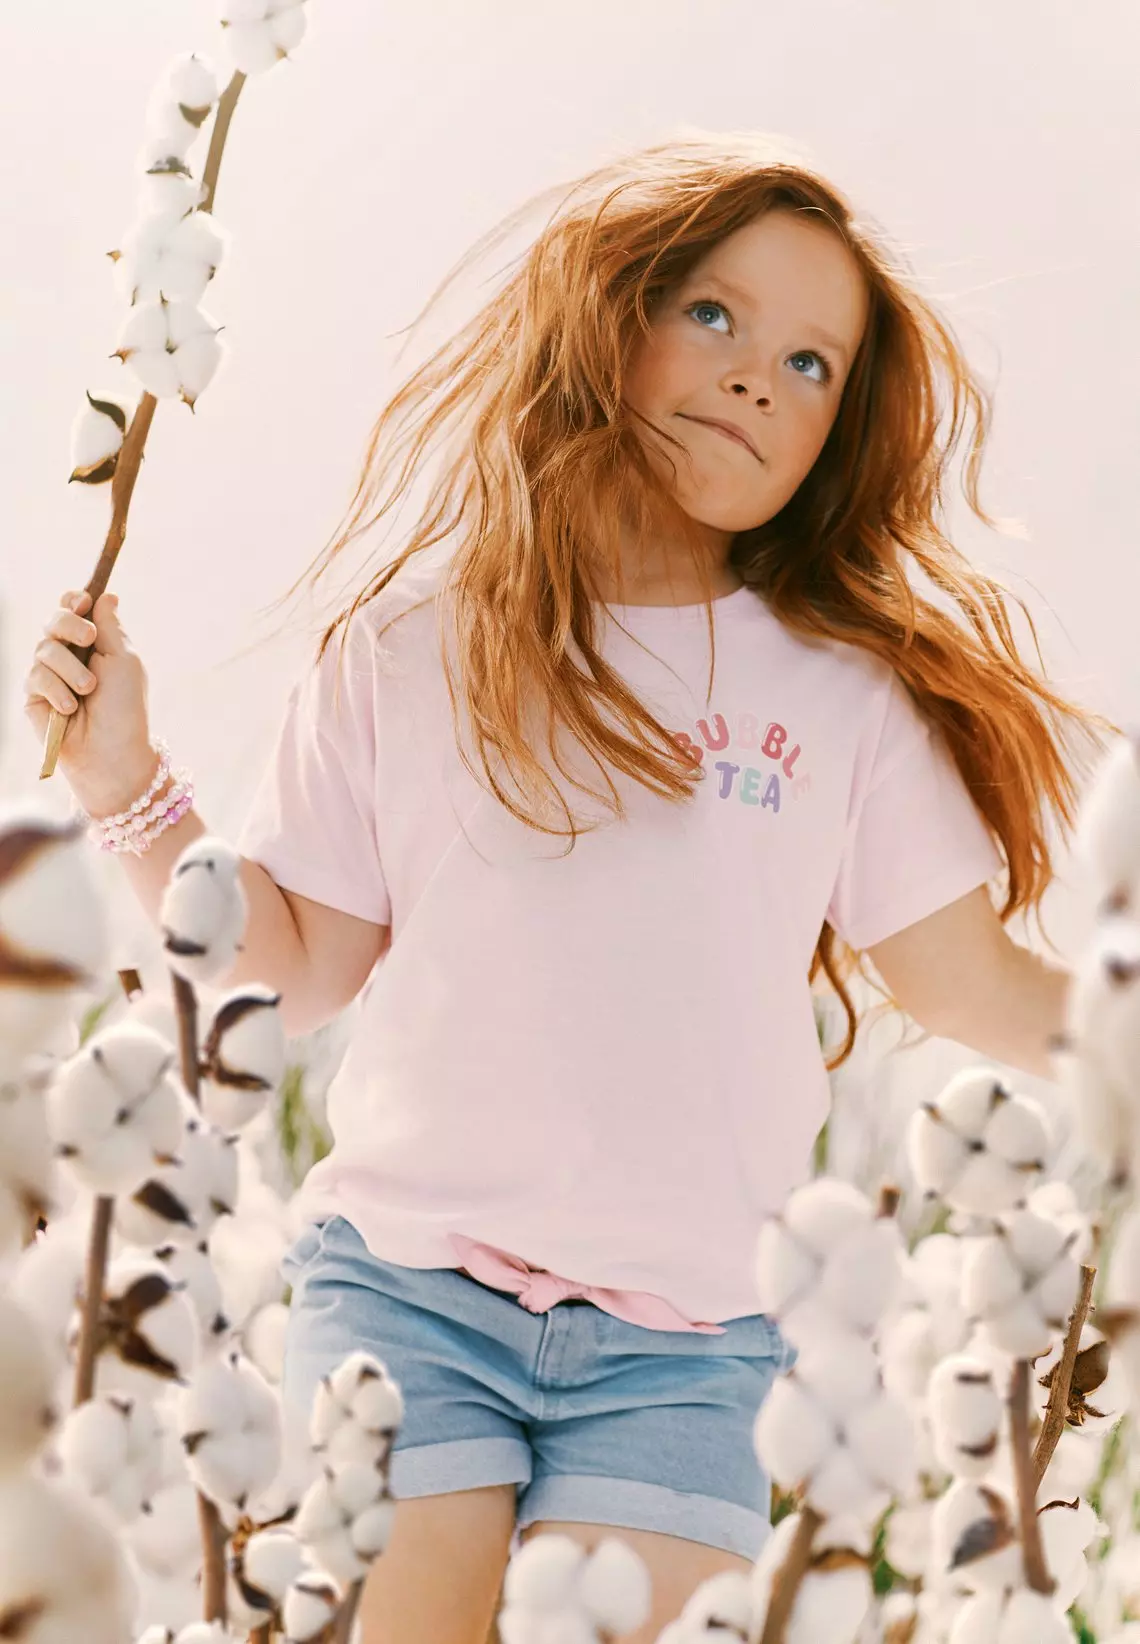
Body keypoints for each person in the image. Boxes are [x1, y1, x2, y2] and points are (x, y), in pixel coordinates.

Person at [24, 132, 1116, 1644]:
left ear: (838, 433)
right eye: (718, 317)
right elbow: (297, 969)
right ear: (618, 321)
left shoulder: (844, 699)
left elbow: (962, 979)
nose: (756, 376)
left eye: (812, 365)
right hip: (407, 1293)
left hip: (695, 1348)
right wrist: (122, 781)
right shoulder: (410, 653)